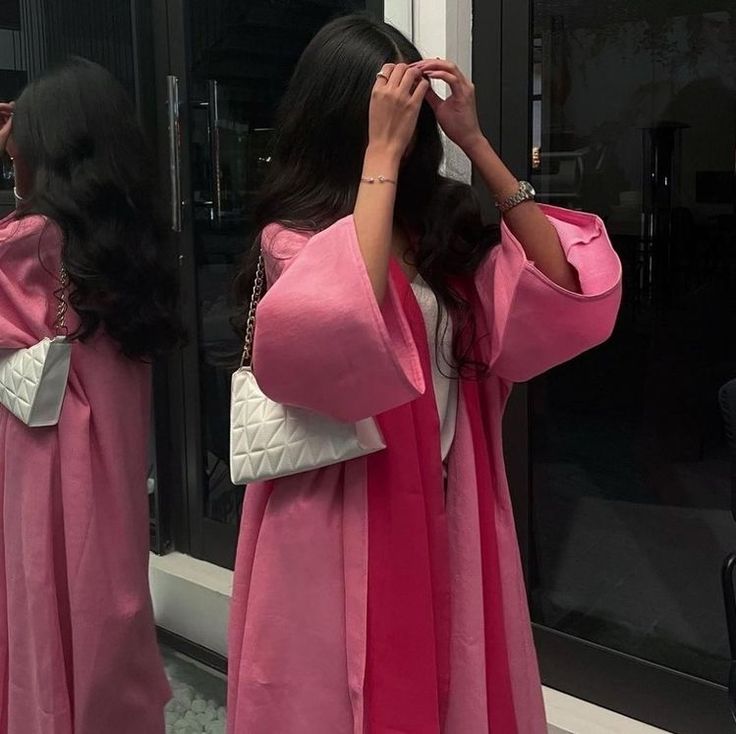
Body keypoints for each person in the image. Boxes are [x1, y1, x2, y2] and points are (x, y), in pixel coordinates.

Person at [228, 14, 621, 734]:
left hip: (446, 498)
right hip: (336, 514)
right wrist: (380, 154)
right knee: (343, 700)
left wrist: (475, 142)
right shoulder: (295, 239)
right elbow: (345, 314)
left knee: (450, 687)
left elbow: (562, 281)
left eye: (411, 113)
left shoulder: (438, 229)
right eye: (388, 110)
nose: (408, 130)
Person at [0, 58, 181, 733]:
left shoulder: (30, 243)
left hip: (44, 469)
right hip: (112, 475)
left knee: (44, 607)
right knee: (109, 612)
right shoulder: (126, 245)